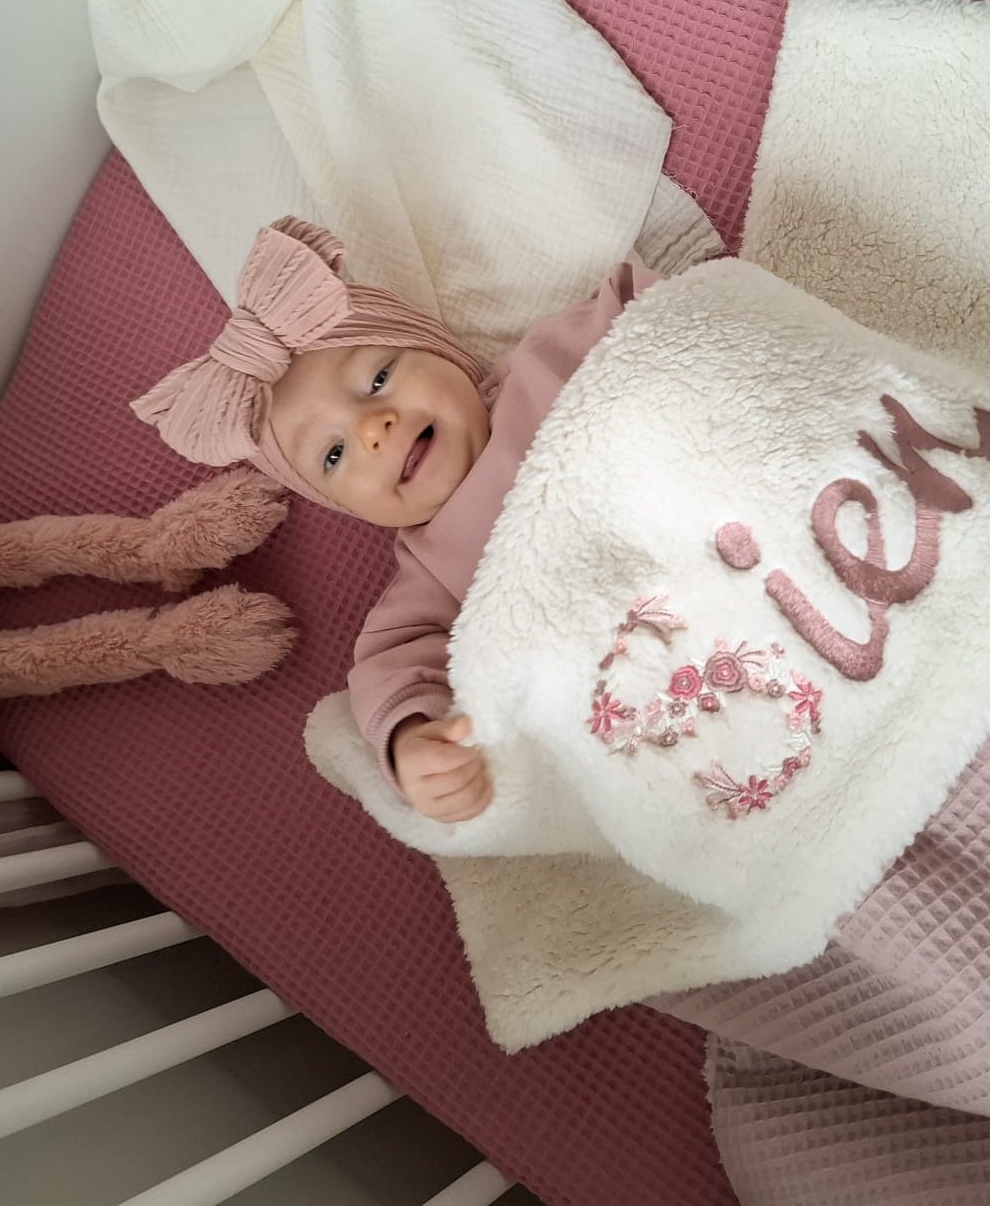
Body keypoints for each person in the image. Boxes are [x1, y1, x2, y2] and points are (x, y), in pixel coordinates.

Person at [135, 217, 652, 822]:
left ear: (439, 351)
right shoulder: (428, 571)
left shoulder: (543, 365)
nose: (370, 429)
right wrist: (413, 740)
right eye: (334, 455)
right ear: (345, 508)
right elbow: (391, 669)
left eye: (378, 378)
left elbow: (652, 303)